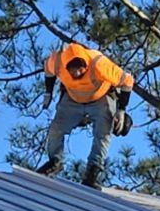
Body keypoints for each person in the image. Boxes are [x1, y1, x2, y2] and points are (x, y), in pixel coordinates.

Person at [37, 42, 136, 187]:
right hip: (73, 98)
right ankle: (54, 162)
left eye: (80, 70)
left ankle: (93, 169)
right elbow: (48, 71)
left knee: (103, 131)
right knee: (56, 128)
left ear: (86, 65)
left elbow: (127, 80)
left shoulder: (99, 64)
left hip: (100, 98)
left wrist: (121, 110)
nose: (76, 74)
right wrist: (48, 93)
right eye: (73, 71)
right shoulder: (58, 60)